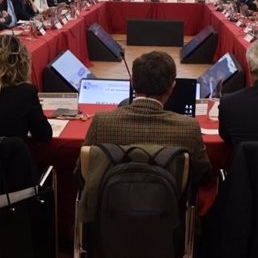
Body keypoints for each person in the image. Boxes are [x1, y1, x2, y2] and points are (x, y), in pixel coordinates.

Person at [83, 51, 212, 185]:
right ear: (172, 86)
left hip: (111, 203)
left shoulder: (101, 122)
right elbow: (203, 176)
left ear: (132, 82)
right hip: (168, 204)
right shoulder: (188, 128)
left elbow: (83, 169)